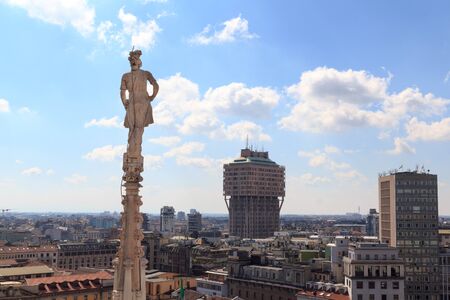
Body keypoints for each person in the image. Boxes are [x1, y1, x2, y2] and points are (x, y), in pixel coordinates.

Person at [120, 50, 159, 156]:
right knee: (133, 128)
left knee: (136, 128)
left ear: (139, 62)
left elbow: (155, 85)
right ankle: (133, 150)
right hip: (135, 103)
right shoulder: (126, 76)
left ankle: (135, 150)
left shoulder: (145, 74)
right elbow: (122, 91)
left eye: (135, 60)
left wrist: (151, 97)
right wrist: (151, 97)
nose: (133, 62)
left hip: (141, 103)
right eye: (132, 60)